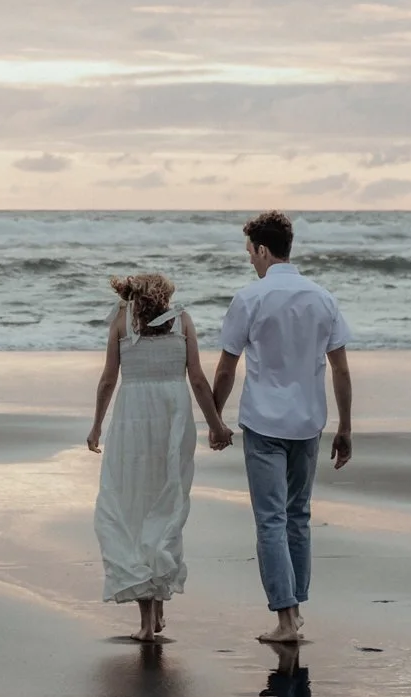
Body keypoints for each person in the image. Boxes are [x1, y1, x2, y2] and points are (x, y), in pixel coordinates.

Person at [208, 211, 353, 645]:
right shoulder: (322, 298)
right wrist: (346, 427)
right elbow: (341, 370)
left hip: (264, 423)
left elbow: (225, 370)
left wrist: (215, 420)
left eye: (250, 251)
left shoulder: (250, 298)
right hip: (308, 422)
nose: (249, 259)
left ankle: (286, 619)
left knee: (271, 520)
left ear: (263, 250)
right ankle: (295, 607)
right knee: (298, 517)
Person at [88, 271, 235, 642]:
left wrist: (96, 426)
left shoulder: (121, 322)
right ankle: (159, 603)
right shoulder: (182, 321)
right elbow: (198, 380)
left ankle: (146, 621)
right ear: (165, 297)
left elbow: (108, 379)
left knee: (133, 507)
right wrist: (216, 426)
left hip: (133, 419)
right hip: (172, 416)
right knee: (167, 502)